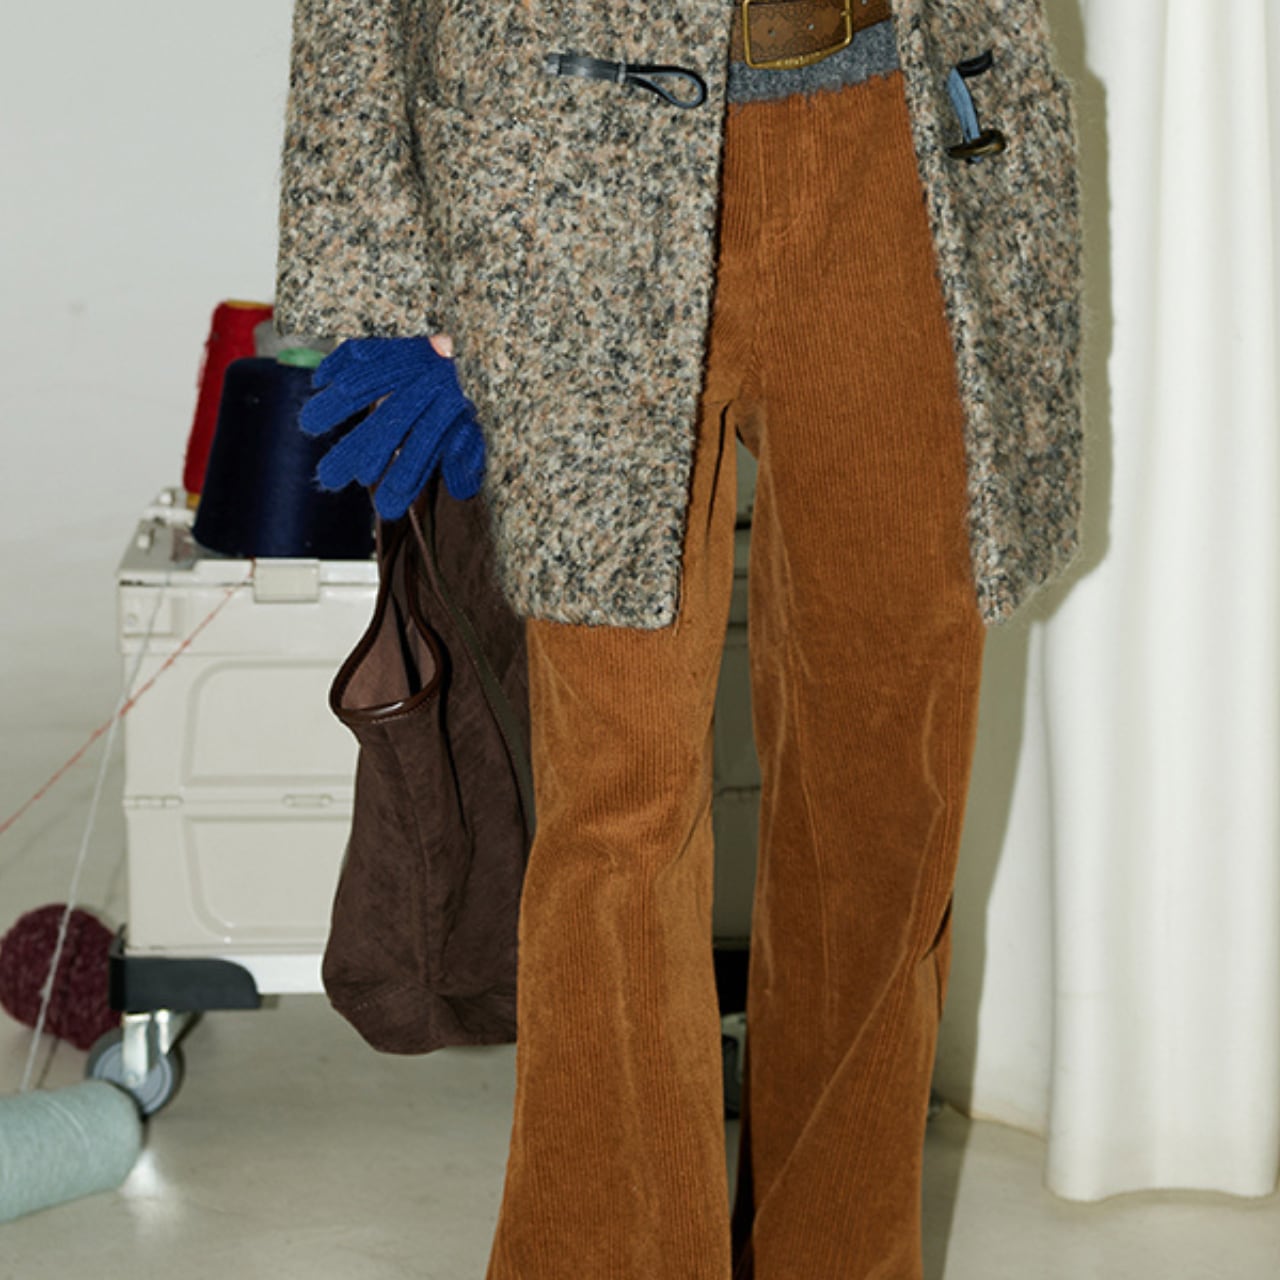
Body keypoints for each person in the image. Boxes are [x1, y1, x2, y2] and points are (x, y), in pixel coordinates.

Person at [276, 2, 1083, 1276]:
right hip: (561, 159)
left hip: (896, 144)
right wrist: (382, 266)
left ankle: (841, 1257)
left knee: (886, 793)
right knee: (615, 812)